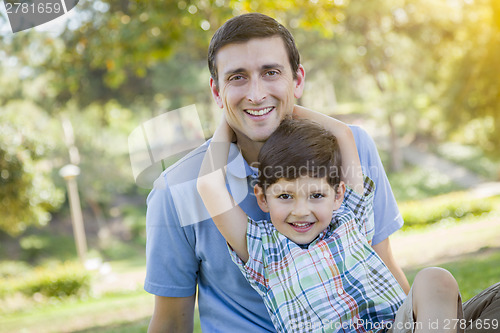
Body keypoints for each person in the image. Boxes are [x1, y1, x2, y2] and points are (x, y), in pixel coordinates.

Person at [145, 12, 500, 332]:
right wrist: (241, 113)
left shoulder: (351, 149)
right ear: (216, 91)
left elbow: (381, 260)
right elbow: (170, 322)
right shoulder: (181, 193)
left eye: (271, 73)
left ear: (297, 80)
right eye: (237, 78)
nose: (255, 93)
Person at [197, 115, 462, 332]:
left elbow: (343, 134)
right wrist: (230, 120)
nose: (301, 211)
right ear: (262, 199)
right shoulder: (263, 250)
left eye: (316, 195)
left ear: (337, 195)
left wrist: (283, 106)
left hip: (394, 328)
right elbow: (208, 184)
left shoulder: (350, 217)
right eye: (285, 196)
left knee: (435, 279)